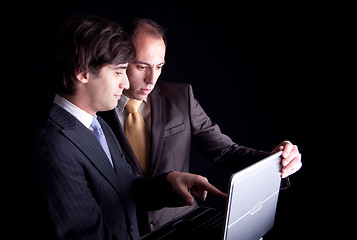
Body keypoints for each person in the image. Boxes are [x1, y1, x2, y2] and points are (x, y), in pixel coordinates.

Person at [99, 18, 302, 235]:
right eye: (142, 67)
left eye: (159, 67)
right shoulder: (96, 109)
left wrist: (277, 162)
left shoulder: (180, 97)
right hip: (123, 232)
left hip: (183, 226)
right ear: (120, 59)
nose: (152, 79)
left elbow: (227, 152)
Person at [33, 14, 227, 240]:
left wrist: (170, 181)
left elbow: (128, 187)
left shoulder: (96, 125)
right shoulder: (53, 146)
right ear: (82, 73)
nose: (125, 83)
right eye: (117, 72)